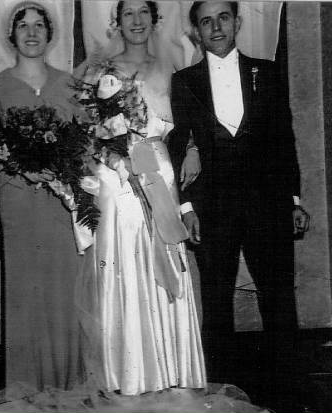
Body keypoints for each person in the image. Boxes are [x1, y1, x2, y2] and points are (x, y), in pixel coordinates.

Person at [168, 0, 310, 403]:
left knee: (278, 297)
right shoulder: (184, 81)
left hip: (267, 204)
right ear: (195, 31)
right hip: (213, 209)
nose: (215, 28)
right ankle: (220, 394)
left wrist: (293, 200)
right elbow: (181, 143)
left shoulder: (266, 72)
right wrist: (187, 207)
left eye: (223, 18)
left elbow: (284, 140)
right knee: (216, 301)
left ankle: (288, 390)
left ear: (238, 22)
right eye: (206, 21)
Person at [77, 0, 206, 396]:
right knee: (122, 260)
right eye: (127, 13)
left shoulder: (174, 69)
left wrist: (195, 149)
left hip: (160, 172)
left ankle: (171, 368)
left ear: (155, 20)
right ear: (117, 21)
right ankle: (127, 372)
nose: (136, 21)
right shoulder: (97, 72)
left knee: (165, 255)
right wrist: (112, 156)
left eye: (143, 13)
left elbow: (191, 124)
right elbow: (84, 132)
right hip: (117, 177)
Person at [0, 2, 84, 392]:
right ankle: (28, 385)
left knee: (64, 290)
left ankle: (69, 383)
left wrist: (62, 171)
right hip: (19, 204)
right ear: (12, 35)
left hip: (61, 204)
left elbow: (84, 150)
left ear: (50, 34)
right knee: (25, 293)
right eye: (23, 26)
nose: (32, 32)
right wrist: (22, 167)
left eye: (40, 25)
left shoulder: (70, 85)